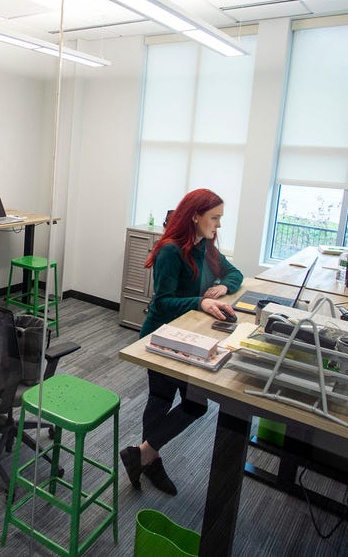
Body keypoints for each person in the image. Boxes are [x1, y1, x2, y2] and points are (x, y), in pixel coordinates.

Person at [120, 188, 243, 495]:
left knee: (165, 400)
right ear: (196, 216)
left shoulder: (206, 247)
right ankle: (147, 457)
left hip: (185, 335)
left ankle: (145, 456)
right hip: (160, 336)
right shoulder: (170, 251)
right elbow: (162, 303)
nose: (219, 224)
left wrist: (223, 286)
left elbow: (235, 274)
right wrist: (199, 302)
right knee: (189, 404)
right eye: (215, 217)